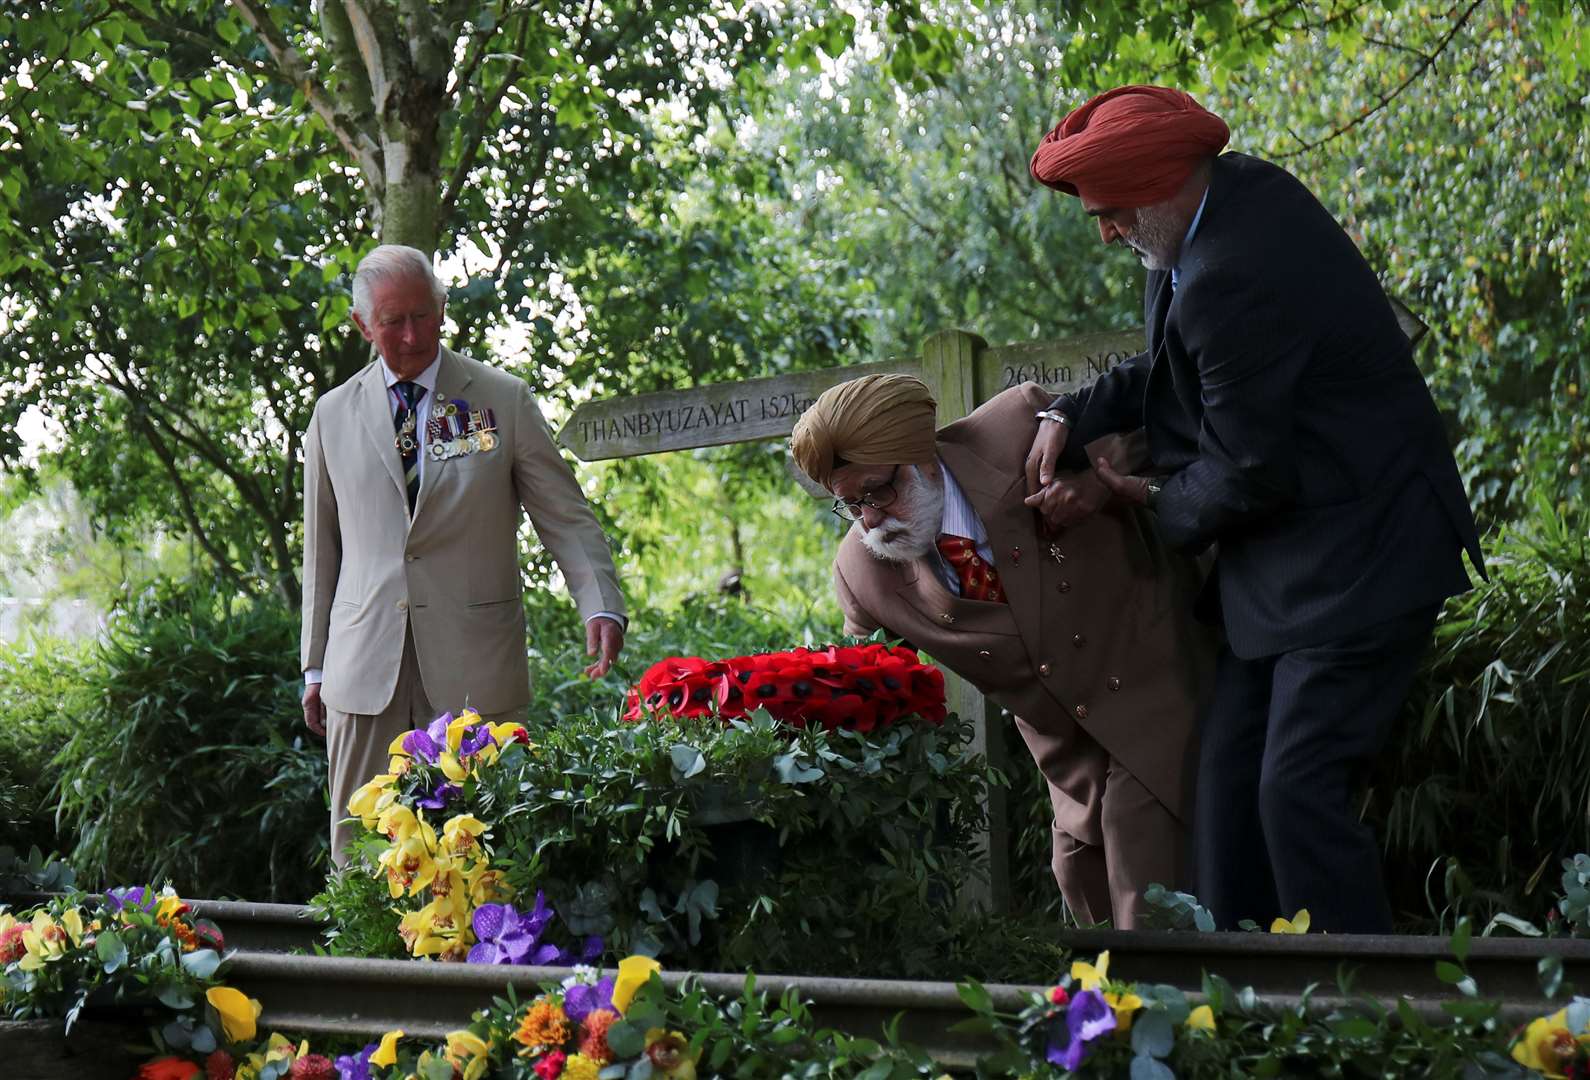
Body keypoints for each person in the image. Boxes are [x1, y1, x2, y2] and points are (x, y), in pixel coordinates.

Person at [1023, 85, 1485, 932]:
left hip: (1362, 557)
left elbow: (1245, 476)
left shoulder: (1235, 270)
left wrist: (1130, 498)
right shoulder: (1211, 214)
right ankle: (1242, 1006)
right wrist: (1066, 414)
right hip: (1284, 568)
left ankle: (1365, 1020)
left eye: (1114, 210)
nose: (1106, 230)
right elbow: (1167, 369)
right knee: (1226, 791)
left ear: (1163, 182)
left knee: (1294, 794)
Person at [790, 373, 1214, 929]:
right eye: (849, 505)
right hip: (1070, 761)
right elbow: (856, 673)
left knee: (1144, 890)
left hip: (1158, 693)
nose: (870, 519)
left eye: (878, 492)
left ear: (918, 454)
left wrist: (1098, 481)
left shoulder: (1023, 425)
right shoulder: (862, 572)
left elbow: (1177, 433)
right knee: (1082, 891)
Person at [300, 244, 627, 863]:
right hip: (362, 670)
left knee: (490, 852)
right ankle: (366, 968)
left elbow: (564, 515)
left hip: (476, 667)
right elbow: (323, 552)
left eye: (424, 315)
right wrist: (314, 666)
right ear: (362, 326)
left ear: (444, 309)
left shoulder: (500, 400)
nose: (413, 334)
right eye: (393, 322)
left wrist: (600, 604)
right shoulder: (331, 415)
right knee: (364, 858)